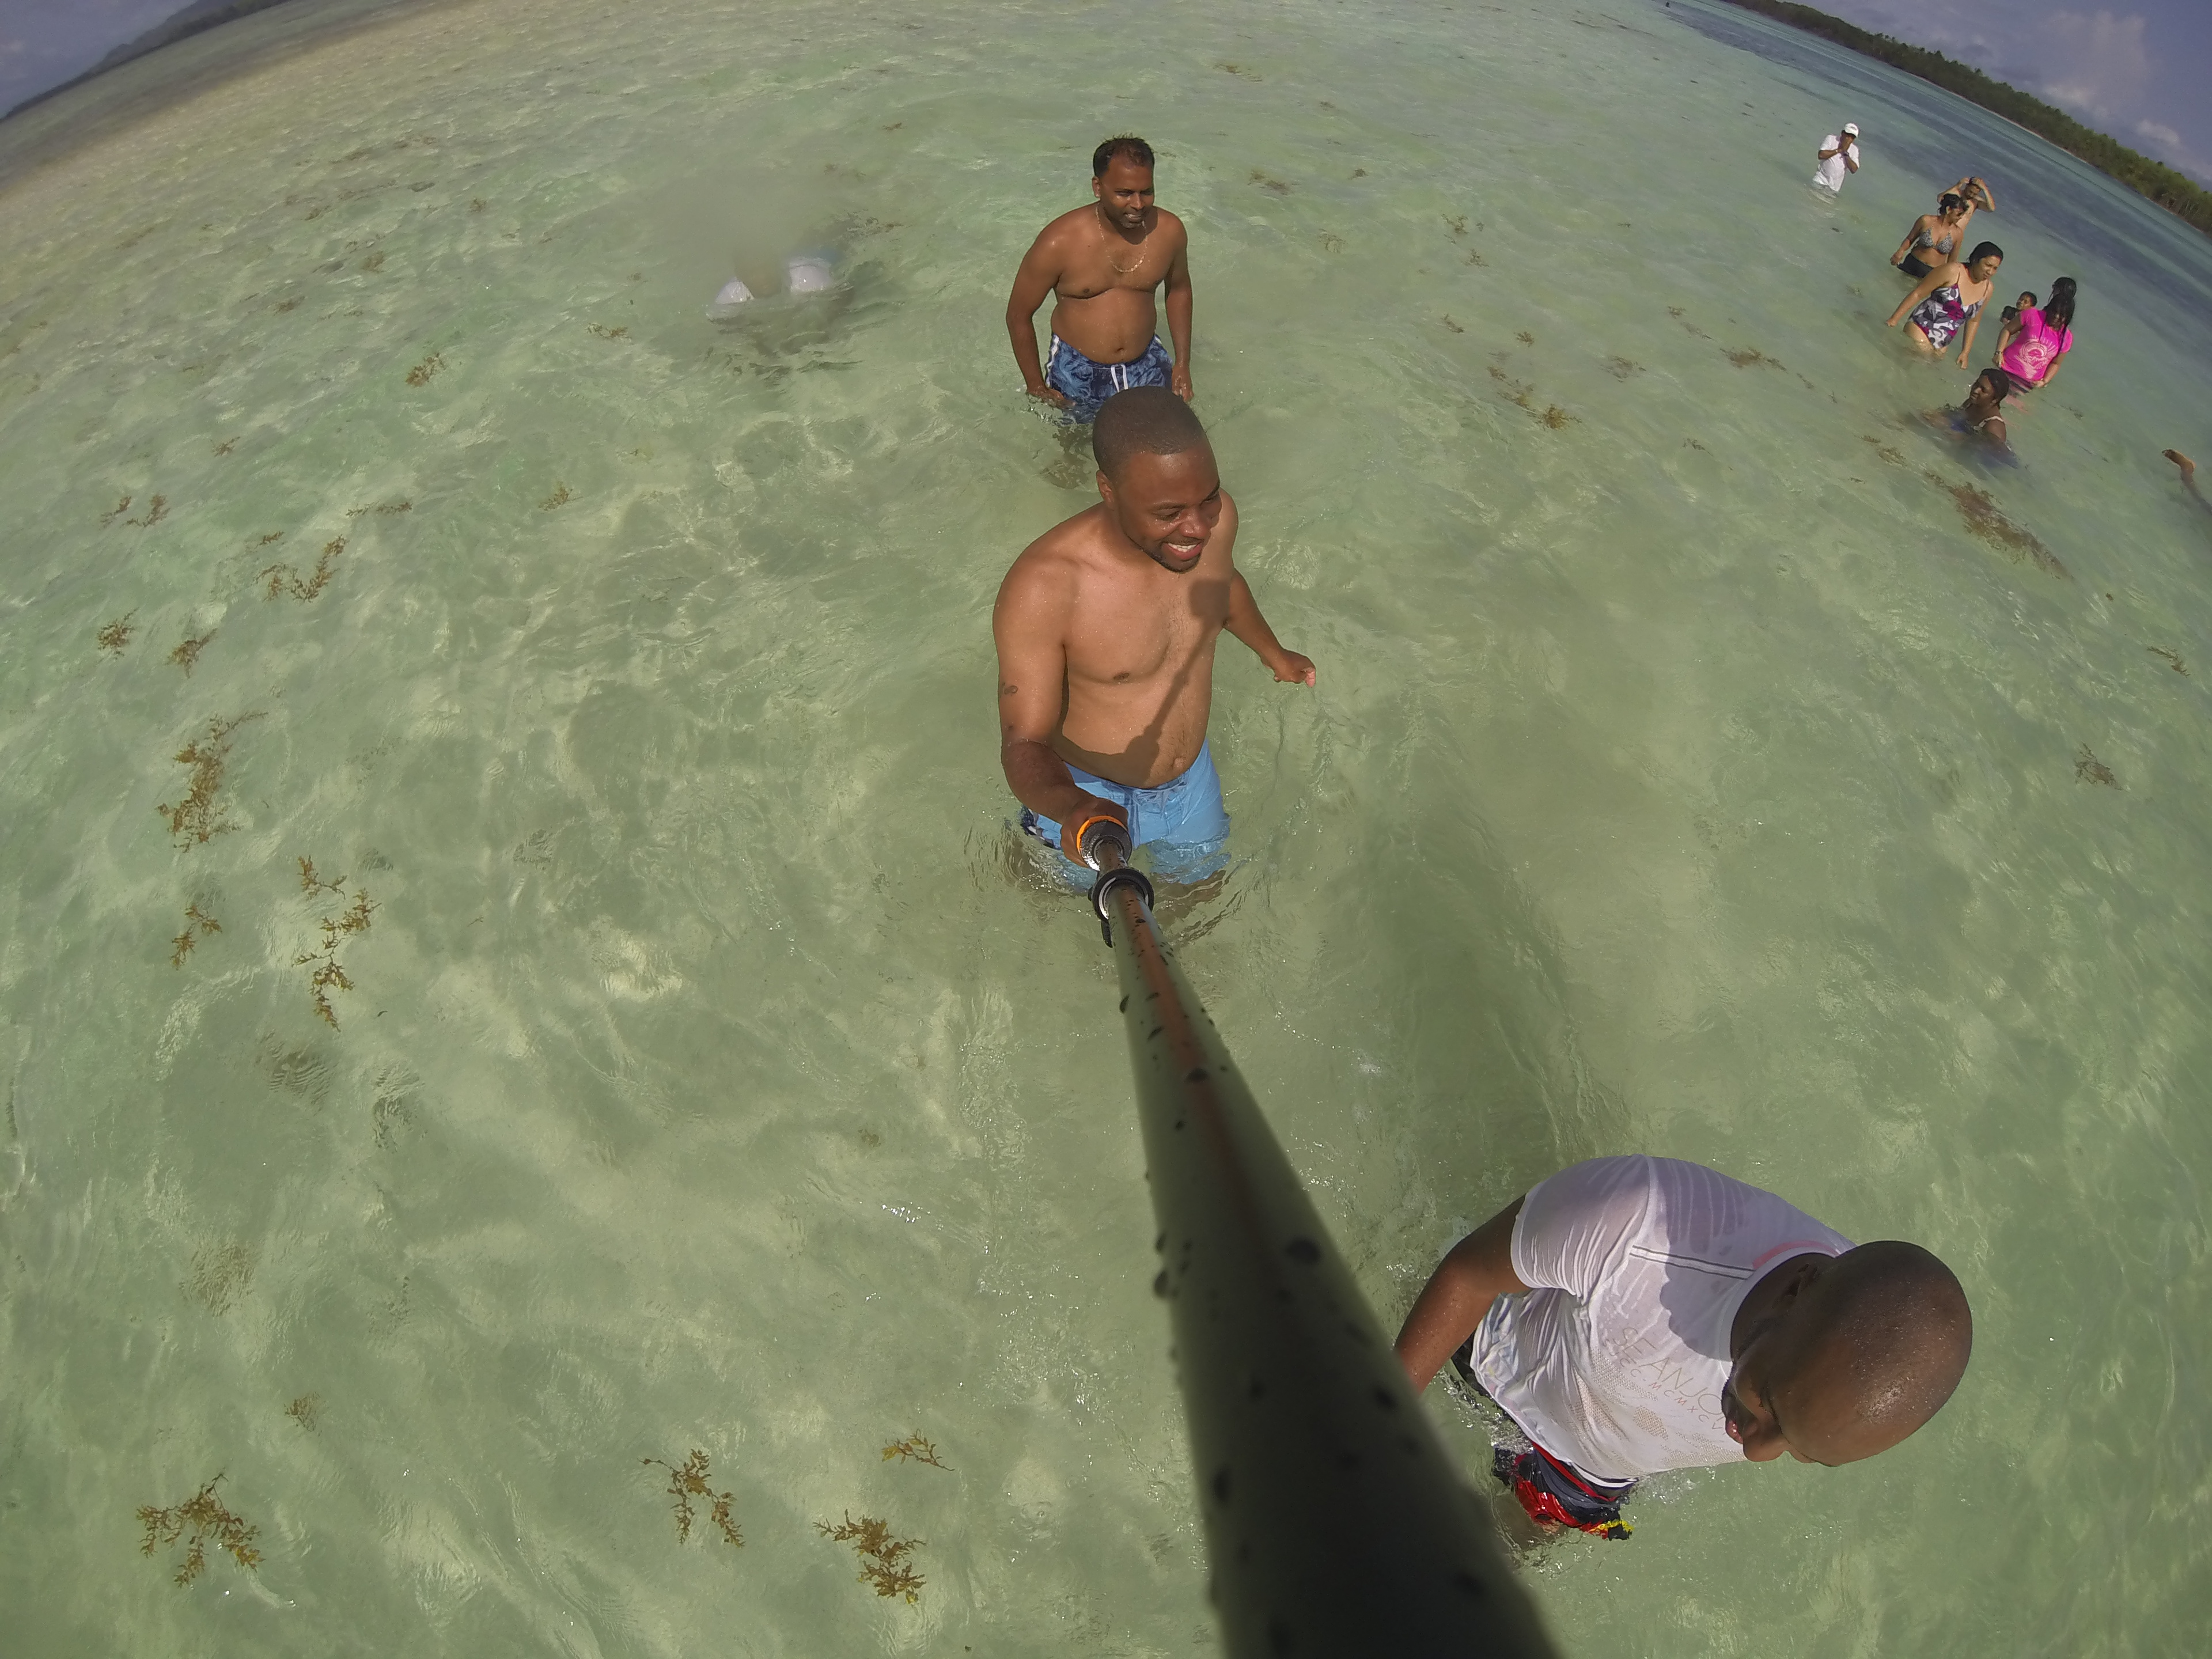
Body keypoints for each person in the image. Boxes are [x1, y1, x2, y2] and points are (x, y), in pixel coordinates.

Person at [1393, 1156, 1973, 1540]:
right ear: (1794, 1291)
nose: (1757, 1452)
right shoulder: (1636, 1226)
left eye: (1800, 1450)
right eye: (1770, 1403)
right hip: (1486, 1352)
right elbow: (1468, 1276)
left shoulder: (1855, 1377)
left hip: (1590, 1474)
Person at [992, 388, 1313, 882]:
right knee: (1059, 907)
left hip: (1191, 782)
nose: (1198, 529)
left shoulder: (1216, 522)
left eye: (1208, 499)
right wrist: (1073, 807)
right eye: (1168, 513)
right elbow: (1024, 743)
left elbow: (1222, 584)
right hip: (1089, 796)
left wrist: (1273, 653)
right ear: (1108, 489)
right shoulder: (1047, 586)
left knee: (1202, 895)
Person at [1006, 135, 1195, 423]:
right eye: (1124, 193)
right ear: (1098, 187)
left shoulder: (1169, 231)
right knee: (1075, 447)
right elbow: (1018, 315)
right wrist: (1036, 385)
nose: (1138, 204)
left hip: (1147, 361)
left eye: (1147, 192)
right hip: (1078, 371)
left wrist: (1182, 363)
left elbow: (1179, 290)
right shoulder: (1059, 242)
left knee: (1165, 439)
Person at [1887, 241, 2003, 366]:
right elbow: (1918, 293)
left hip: (1943, 342)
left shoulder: (1988, 289)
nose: (1990, 272)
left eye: (1995, 269)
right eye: (1988, 265)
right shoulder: (1953, 271)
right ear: (1975, 259)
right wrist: (1894, 319)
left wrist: (1965, 352)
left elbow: (1974, 321)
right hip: (1922, 326)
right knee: (1902, 364)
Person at [1988, 276, 2077, 395]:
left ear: (2068, 317)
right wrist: (1999, 353)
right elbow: (2007, 330)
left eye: (2062, 315)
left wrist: (2044, 381)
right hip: (2005, 367)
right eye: (2054, 312)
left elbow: (2056, 363)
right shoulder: (2032, 315)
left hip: (2026, 384)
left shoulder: (2067, 337)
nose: (2056, 317)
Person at [1890, 192, 1969, 280]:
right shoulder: (1926, 221)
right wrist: (1900, 251)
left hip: (1933, 274)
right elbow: (1910, 239)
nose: (1961, 217)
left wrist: (1949, 279)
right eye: (1959, 214)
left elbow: (1952, 261)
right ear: (1949, 209)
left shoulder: (1958, 233)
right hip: (1912, 263)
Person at [1812, 122, 1860, 194]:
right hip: (1820, 181)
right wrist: (1839, 150)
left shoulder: (1854, 150)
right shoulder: (1831, 139)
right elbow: (1821, 155)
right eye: (1848, 135)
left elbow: (1854, 169)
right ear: (1842, 133)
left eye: (1852, 137)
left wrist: (1846, 153)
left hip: (1834, 189)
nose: (1849, 139)